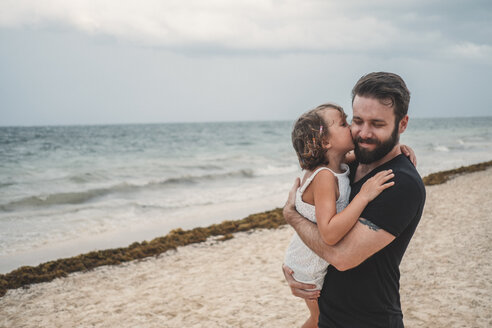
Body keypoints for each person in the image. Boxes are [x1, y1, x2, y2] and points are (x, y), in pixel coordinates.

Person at [282, 72, 426, 327]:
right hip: (328, 315)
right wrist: (297, 270)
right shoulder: (349, 165)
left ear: (402, 124)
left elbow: (342, 257)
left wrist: (292, 216)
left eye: (377, 124)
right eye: (357, 121)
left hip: (368, 319)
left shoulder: (400, 182)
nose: (363, 133)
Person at [284, 103, 396, 328]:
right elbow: (330, 233)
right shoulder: (324, 176)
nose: (353, 128)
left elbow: (370, 157)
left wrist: (399, 150)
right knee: (318, 320)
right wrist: (363, 196)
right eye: (344, 124)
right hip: (308, 268)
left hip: (308, 256)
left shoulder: (338, 164)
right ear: (326, 142)